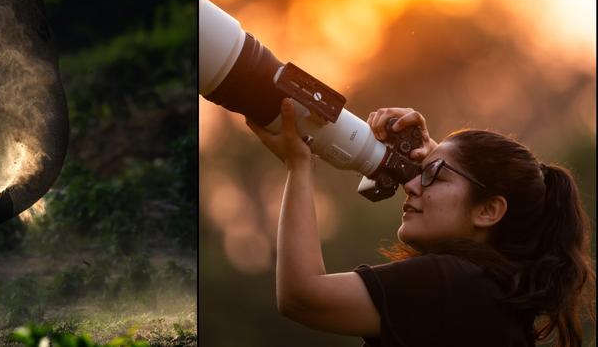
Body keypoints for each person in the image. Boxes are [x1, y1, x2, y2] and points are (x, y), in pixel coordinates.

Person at [246, 98, 595, 347]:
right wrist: (431, 155)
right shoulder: (491, 297)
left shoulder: (453, 283)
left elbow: (301, 296)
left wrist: (298, 165)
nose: (409, 185)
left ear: (488, 211)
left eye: (433, 176)